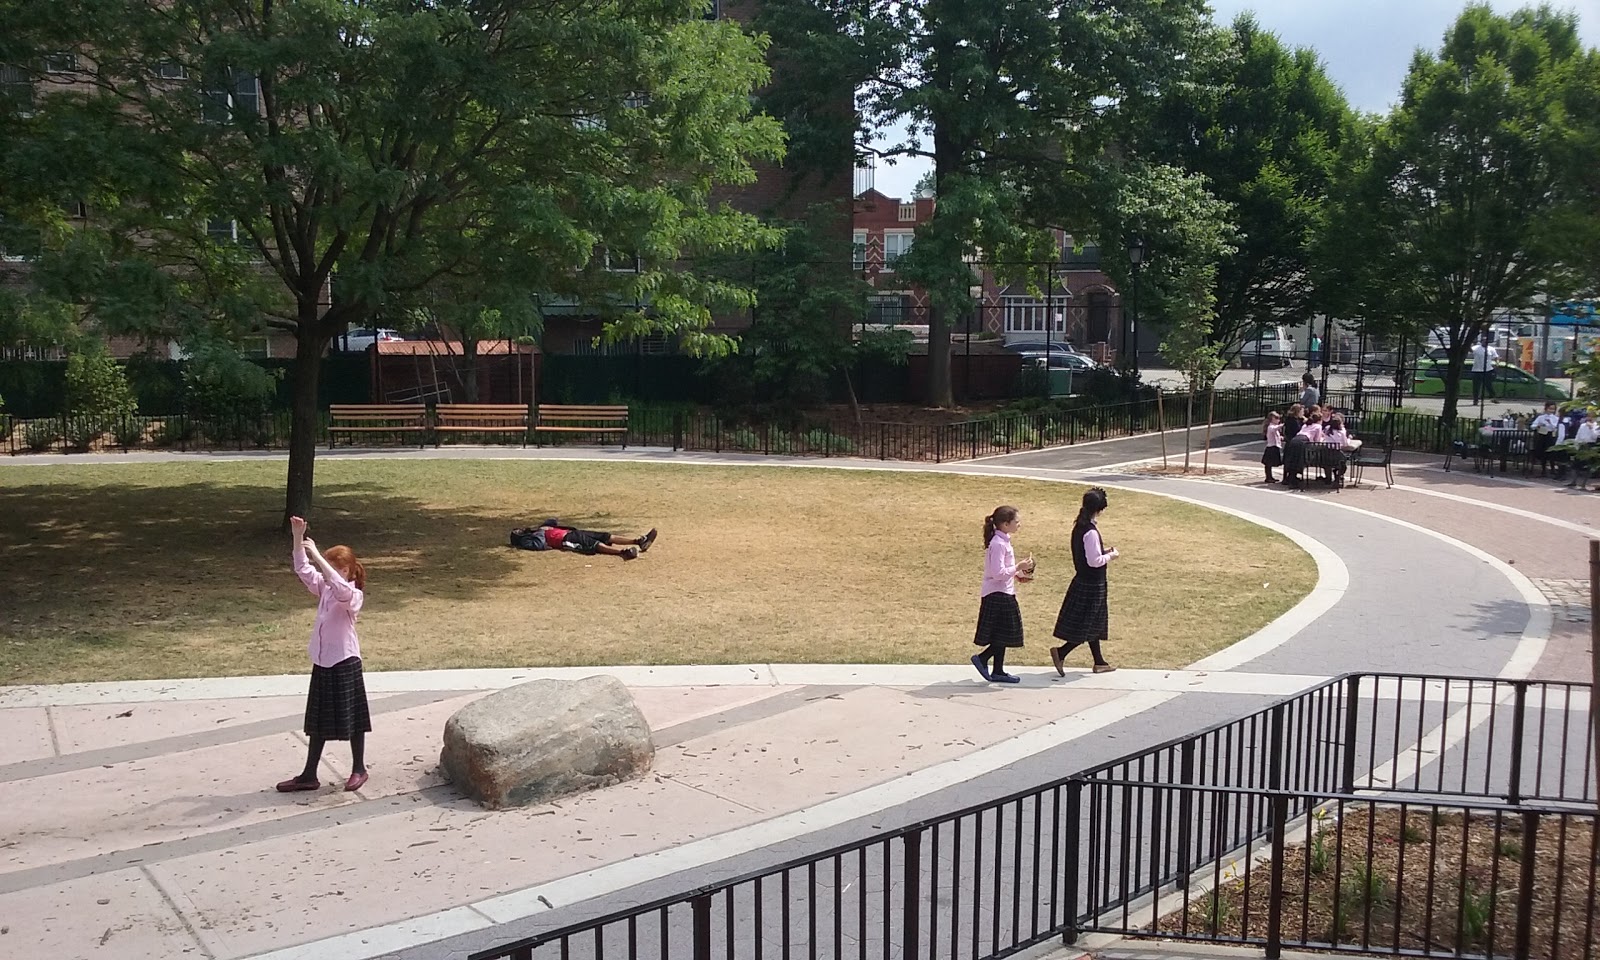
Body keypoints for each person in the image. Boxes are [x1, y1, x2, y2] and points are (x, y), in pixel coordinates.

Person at [279, 516, 371, 793]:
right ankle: (309, 774)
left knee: (353, 718)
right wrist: (298, 538)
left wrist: (319, 555)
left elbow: (339, 587)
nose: (328, 572)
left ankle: (359, 769)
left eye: (334, 568)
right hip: (323, 661)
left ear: (347, 571)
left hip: (345, 661)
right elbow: (302, 568)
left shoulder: (351, 595)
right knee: (317, 721)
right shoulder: (325, 589)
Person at [1050, 488, 1118, 676]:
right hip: (1092, 584)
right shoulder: (1090, 532)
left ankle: (1100, 662)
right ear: (1099, 509)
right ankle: (1062, 652)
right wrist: (1111, 555)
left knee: (1093, 622)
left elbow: (1090, 555)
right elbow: (1094, 561)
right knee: (1087, 624)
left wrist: (1103, 552)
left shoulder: (1079, 527)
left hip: (1083, 581)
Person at [971, 506, 1034, 684]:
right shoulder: (998, 544)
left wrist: (1018, 575)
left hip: (1003, 591)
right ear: (1005, 524)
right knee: (1007, 633)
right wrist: (1018, 567)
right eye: (1016, 522)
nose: (1019, 524)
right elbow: (997, 573)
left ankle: (998, 670)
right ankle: (983, 659)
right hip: (998, 594)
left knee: (1001, 633)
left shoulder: (1003, 541)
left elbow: (1003, 570)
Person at [510, 520, 657, 560]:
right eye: (518, 531)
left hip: (571, 532)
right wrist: (540, 534)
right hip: (565, 539)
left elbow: (552, 520)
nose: (521, 529)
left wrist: (541, 527)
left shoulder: (538, 529)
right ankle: (623, 553)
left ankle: (638, 541)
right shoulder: (529, 540)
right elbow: (537, 545)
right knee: (594, 545)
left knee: (605, 536)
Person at [1532, 402, 1561, 476]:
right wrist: (1538, 425)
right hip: (1542, 435)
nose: (1551, 411)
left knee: (1551, 453)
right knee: (1543, 453)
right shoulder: (1541, 417)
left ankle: (1552, 469)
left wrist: (1550, 422)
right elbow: (1533, 425)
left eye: (1553, 409)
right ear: (1546, 408)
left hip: (1551, 436)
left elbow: (1555, 427)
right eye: (1550, 409)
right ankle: (1543, 469)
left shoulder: (1556, 418)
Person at [1470, 335, 1499, 404]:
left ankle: (1493, 398)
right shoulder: (1476, 348)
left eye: (1486, 341)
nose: (1485, 342)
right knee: (1476, 387)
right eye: (1483, 341)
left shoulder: (1491, 349)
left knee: (1489, 385)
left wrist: (1497, 363)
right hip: (1476, 370)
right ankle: (1475, 400)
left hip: (1487, 370)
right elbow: (1470, 350)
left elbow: (1496, 357)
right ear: (1481, 342)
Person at [1262, 411, 1284, 484]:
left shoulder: (1273, 427)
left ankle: (1270, 477)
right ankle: (1268, 477)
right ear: (1272, 419)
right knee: (1268, 463)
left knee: (1270, 463)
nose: (1278, 420)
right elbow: (1274, 429)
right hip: (1271, 447)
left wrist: (1280, 438)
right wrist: (1282, 425)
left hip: (1274, 446)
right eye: (1276, 418)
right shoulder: (1271, 427)